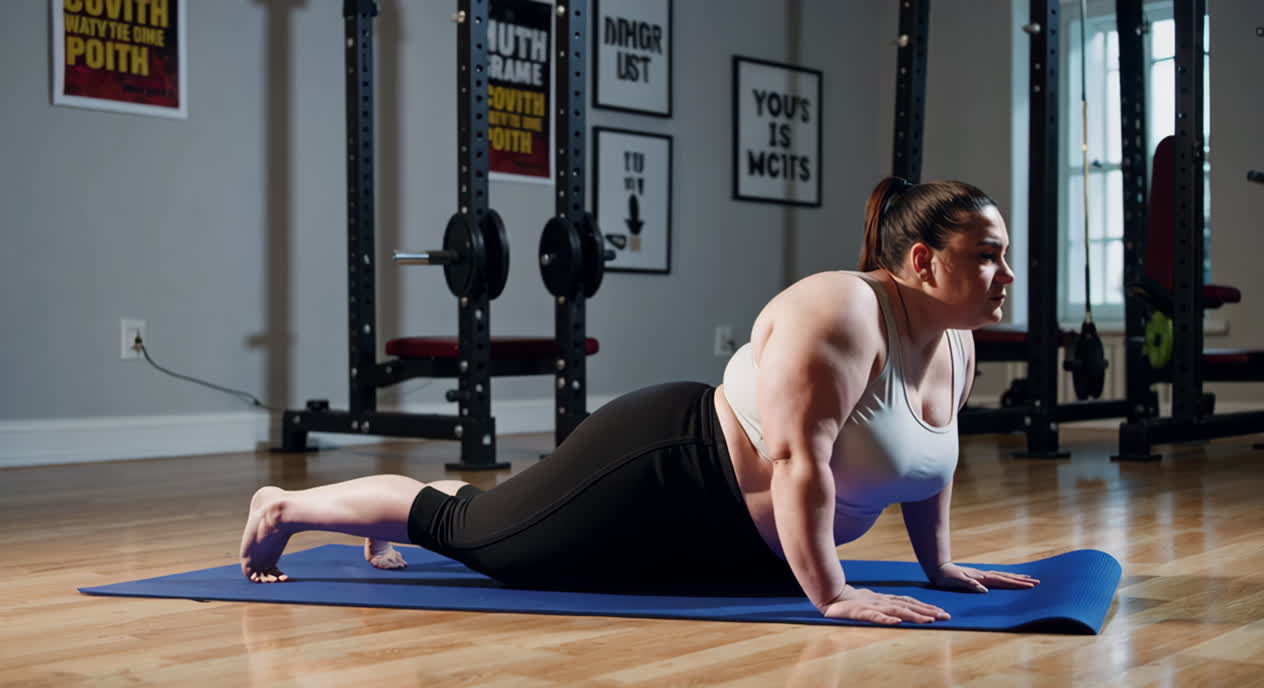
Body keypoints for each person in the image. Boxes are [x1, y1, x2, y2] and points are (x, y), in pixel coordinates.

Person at [240, 176, 1039, 625]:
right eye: (989, 257)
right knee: (481, 538)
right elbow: (800, 461)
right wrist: (835, 596)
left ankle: (406, 517)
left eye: (1006, 258)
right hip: (663, 470)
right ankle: (285, 507)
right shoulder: (838, 314)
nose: (1006, 275)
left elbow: (925, 465)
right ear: (926, 262)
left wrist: (938, 566)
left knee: (501, 520)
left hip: (742, 553)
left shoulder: (957, 342)